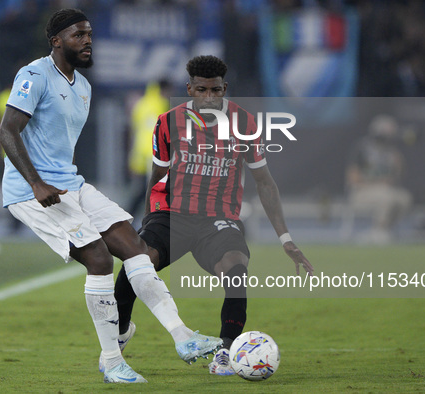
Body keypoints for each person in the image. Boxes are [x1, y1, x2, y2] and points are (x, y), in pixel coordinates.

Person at [0, 9, 222, 384]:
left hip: (70, 183)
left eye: (89, 34)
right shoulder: (33, 75)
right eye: (77, 35)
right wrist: (36, 183)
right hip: (30, 190)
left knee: (134, 245)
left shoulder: (82, 87)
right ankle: (112, 361)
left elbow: (58, 146)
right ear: (56, 41)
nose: (87, 41)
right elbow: (7, 132)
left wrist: (63, 182)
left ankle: (183, 338)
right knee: (99, 258)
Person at [113, 55, 314, 376]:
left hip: (218, 219)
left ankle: (226, 352)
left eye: (216, 91)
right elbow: (157, 176)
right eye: (203, 90)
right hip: (172, 214)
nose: (210, 98)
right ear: (190, 88)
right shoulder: (167, 123)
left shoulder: (245, 124)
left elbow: (265, 182)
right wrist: (149, 221)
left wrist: (286, 239)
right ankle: (120, 333)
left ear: (225, 89)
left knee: (236, 267)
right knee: (136, 263)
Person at [345, 115, 412, 244]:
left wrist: (399, 165)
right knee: (386, 196)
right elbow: (353, 177)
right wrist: (378, 182)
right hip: (362, 191)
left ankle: (384, 229)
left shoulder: (392, 152)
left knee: (404, 198)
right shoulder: (362, 148)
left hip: (386, 190)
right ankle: (379, 230)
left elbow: (397, 177)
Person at [126, 79, 172, 222]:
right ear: (164, 90)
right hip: (155, 153)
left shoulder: (141, 104)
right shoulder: (162, 104)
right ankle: (152, 222)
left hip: (139, 153)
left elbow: (134, 129)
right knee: (156, 190)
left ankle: (128, 219)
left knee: (142, 191)